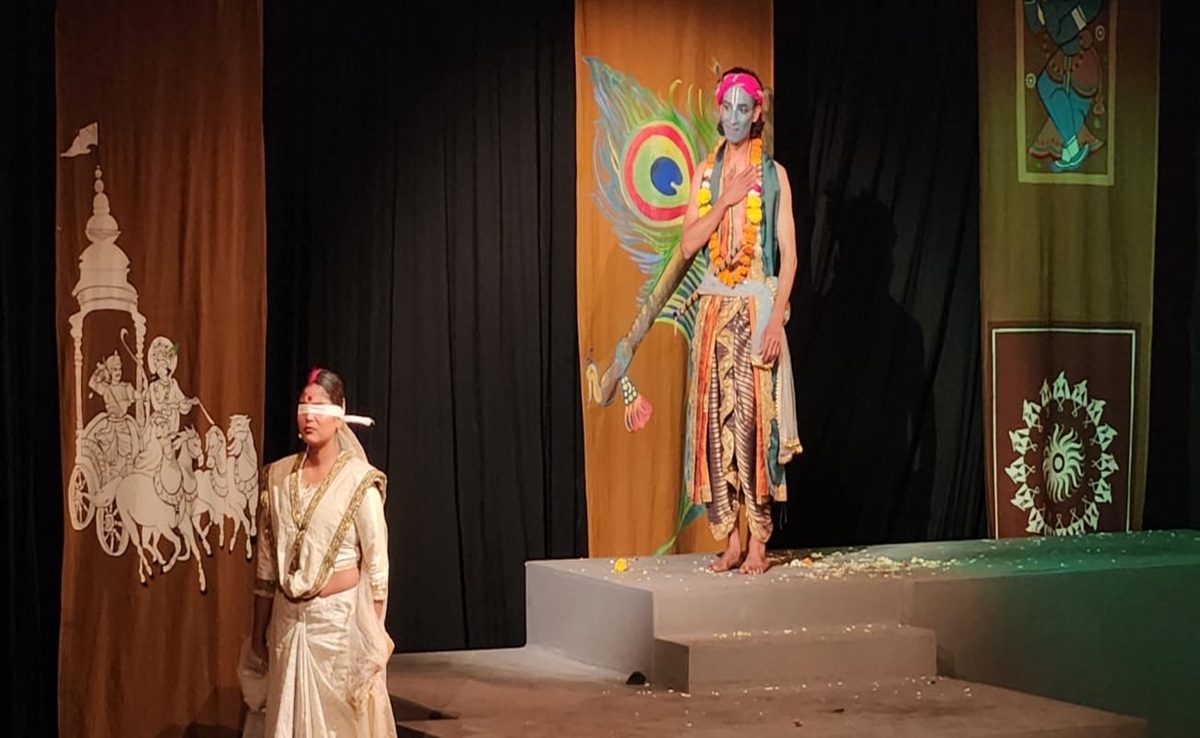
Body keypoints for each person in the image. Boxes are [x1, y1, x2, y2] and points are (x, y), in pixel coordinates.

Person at [679, 68, 802, 575]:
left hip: (754, 310)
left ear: (757, 115)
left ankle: (758, 542)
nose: (733, 117)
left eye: (742, 109)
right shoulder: (706, 175)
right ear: (718, 110)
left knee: (753, 425)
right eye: (726, 108)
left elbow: (789, 258)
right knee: (716, 426)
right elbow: (689, 244)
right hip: (713, 312)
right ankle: (730, 540)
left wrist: (775, 322)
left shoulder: (774, 176)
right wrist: (725, 200)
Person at [241, 368, 397, 737]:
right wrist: (258, 632)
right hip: (287, 624)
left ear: (339, 414)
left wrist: (371, 636)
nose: (310, 416)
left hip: (337, 628)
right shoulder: (278, 479)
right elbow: (266, 566)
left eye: (319, 407)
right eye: (303, 406)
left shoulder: (359, 481)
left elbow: (377, 566)